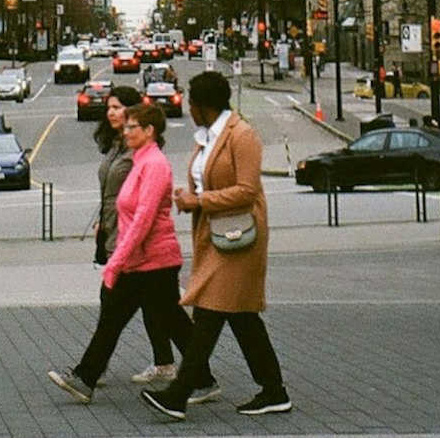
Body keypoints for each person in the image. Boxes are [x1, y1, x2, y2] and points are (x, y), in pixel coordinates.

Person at [142, 70, 291, 421]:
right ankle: (274, 390)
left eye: (192, 103)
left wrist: (200, 201)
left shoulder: (242, 136)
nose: (189, 109)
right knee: (242, 317)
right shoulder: (208, 136)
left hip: (240, 237)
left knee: (209, 310)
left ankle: (179, 393)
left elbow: (247, 190)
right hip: (217, 236)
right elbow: (205, 178)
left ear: (203, 105)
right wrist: (190, 196)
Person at [49, 104, 218, 406]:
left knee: (148, 319)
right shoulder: (141, 161)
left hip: (153, 261)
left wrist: (116, 261)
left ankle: (86, 377)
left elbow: (143, 219)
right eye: (126, 127)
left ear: (149, 131)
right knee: (143, 319)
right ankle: (86, 378)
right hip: (142, 260)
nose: (125, 132)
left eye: (132, 127)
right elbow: (131, 214)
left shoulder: (153, 164)